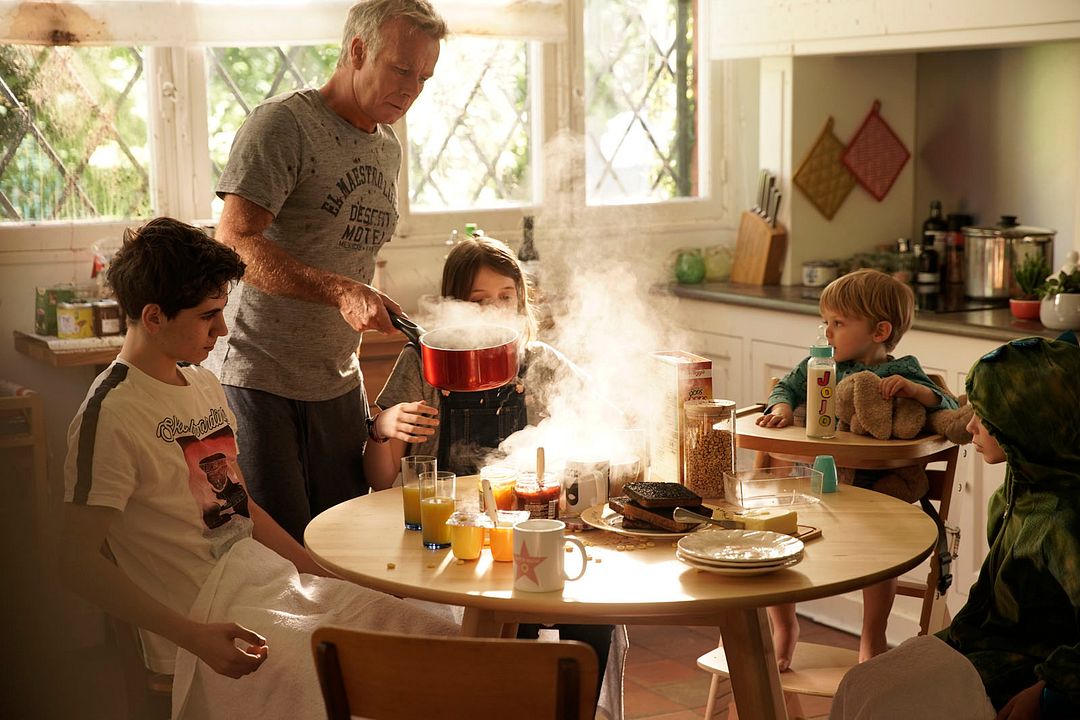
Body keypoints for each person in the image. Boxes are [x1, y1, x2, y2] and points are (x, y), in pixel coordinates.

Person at [60, 218, 457, 720]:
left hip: (265, 583)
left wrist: (326, 576)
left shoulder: (202, 384)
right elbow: (75, 563)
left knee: (440, 628)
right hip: (204, 618)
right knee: (368, 674)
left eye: (222, 312)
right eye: (208, 316)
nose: (222, 330)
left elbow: (240, 507)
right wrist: (194, 638)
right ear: (154, 317)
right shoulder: (112, 413)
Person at [205, 0, 447, 542]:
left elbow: (345, 250)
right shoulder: (284, 124)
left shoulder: (387, 148)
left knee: (344, 548)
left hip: (338, 381)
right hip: (258, 378)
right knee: (287, 555)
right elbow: (234, 241)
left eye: (425, 77)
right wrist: (339, 290)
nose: (412, 89)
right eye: (402, 69)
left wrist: (367, 297)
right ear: (358, 51)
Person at [367, 235, 625, 719]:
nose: (494, 312)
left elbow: (607, 423)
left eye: (506, 298)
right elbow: (381, 479)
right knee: (512, 624)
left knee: (593, 620)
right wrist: (384, 426)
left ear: (522, 302)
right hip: (449, 542)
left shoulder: (540, 360)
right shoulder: (424, 363)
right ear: (452, 308)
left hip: (529, 532)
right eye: (477, 302)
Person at [830, 335, 1080, 720]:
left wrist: (1047, 688)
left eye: (987, 417)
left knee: (887, 705)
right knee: (860, 682)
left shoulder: (1066, 520)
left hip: (1024, 667)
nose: (971, 427)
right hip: (977, 642)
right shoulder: (1016, 490)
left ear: (1026, 428)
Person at [756, 268, 959, 668]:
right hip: (813, 487)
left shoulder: (903, 371)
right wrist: (780, 406)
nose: (827, 333)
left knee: (882, 555)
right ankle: (784, 627)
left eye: (838, 323)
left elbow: (947, 407)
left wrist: (915, 391)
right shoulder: (817, 364)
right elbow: (786, 388)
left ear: (880, 331)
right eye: (825, 322)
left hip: (871, 493)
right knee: (773, 541)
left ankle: (873, 636)